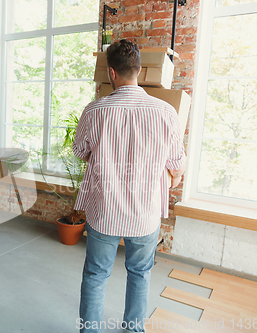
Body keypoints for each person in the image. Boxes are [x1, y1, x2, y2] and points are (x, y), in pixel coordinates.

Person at [74, 40, 186, 332]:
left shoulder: (94, 110)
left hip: (104, 210)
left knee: (96, 275)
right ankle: (134, 329)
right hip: (145, 213)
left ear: (112, 73)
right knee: (140, 273)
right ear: (138, 70)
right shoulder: (165, 112)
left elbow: (81, 153)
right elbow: (177, 164)